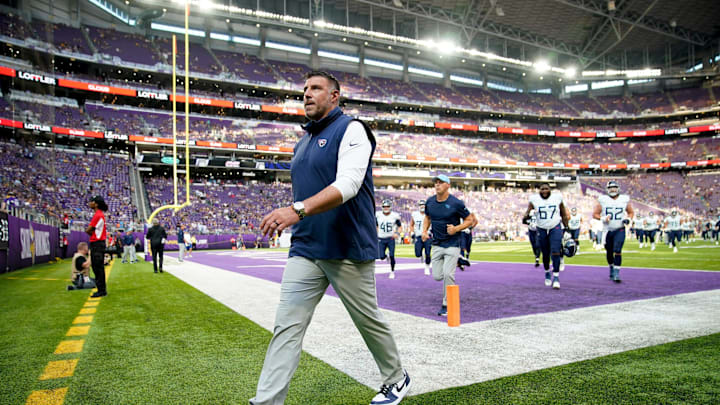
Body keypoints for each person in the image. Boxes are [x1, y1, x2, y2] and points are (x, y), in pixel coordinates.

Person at [250, 71, 410, 405]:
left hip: (346, 245)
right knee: (287, 327)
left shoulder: (352, 129)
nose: (307, 94)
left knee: (367, 320)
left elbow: (349, 184)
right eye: (305, 89)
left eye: (316, 88)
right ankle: (267, 402)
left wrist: (296, 211)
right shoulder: (303, 140)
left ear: (334, 96)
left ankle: (396, 378)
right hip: (306, 247)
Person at [422, 174, 473, 316]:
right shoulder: (430, 202)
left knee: (448, 275)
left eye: (440, 182)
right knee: (437, 276)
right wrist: (424, 231)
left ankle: (446, 304)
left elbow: (470, 220)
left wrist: (456, 229)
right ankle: (458, 261)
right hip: (437, 244)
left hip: (453, 244)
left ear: (448, 185)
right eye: (435, 183)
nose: (437, 185)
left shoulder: (456, 203)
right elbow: (427, 217)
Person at [523, 182, 569, 289]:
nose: (544, 191)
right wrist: (528, 217)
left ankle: (556, 277)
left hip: (555, 227)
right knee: (545, 253)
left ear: (550, 190)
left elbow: (563, 213)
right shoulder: (534, 200)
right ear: (539, 190)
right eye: (542, 189)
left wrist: (567, 228)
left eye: (546, 189)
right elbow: (526, 216)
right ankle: (547, 271)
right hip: (541, 228)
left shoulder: (557, 198)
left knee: (556, 251)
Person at [593, 181, 634, 282]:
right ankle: (611, 267)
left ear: (618, 188)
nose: (612, 189)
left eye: (614, 187)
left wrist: (628, 219)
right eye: (610, 188)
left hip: (619, 229)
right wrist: (603, 218)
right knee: (609, 252)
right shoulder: (603, 199)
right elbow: (595, 214)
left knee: (618, 250)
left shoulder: (624, 199)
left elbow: (631, 212)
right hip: (607, 230)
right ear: (607, 189)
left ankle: (616, 273)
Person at [86, 195, 108, 297]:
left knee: (97, 267)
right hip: (98, 243)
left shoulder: (98, 215)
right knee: (97, 267)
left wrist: (92, 234)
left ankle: (101, 290)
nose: (90, 203)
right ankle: (101, 289)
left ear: (96, 204)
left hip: (97, 243)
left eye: (92, 201)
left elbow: (88, 230)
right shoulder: (99, 214)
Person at [376, 199, 403, 279]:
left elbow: (400, 227)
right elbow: (376, 225)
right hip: (381, 238)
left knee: (392, 255)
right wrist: (376, 233)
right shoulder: (378, 215)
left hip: (390, 238)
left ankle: (392, 271)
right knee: (381, 256)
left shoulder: (394, 216)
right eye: (384, 206)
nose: (386, 208)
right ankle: (385, 256)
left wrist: (397, 233)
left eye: (387, 206)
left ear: (390, 207)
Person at [411, 200, 431, 275]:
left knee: (428, 253)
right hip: (418, 236)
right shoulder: (415, 214)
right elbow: (411, 224)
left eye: (424, 205)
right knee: (417, 254)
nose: (422, 206)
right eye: (421, 205)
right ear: (419, 206)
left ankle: (427, 267)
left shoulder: (429, 214)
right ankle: (421, 254)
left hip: (427, 236)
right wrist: (412, 232)